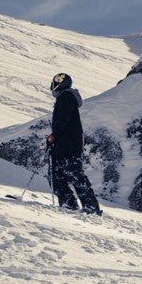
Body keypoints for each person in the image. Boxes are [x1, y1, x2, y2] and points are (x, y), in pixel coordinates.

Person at [46, 73, 102, 215]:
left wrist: (54, 135)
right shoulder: (65, 97)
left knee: (74, 175)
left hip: (68, 145)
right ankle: (69, 204)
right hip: (65, 145)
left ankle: (90, 207)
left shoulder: (66, 97)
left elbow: (62, 120)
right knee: (57, 175)